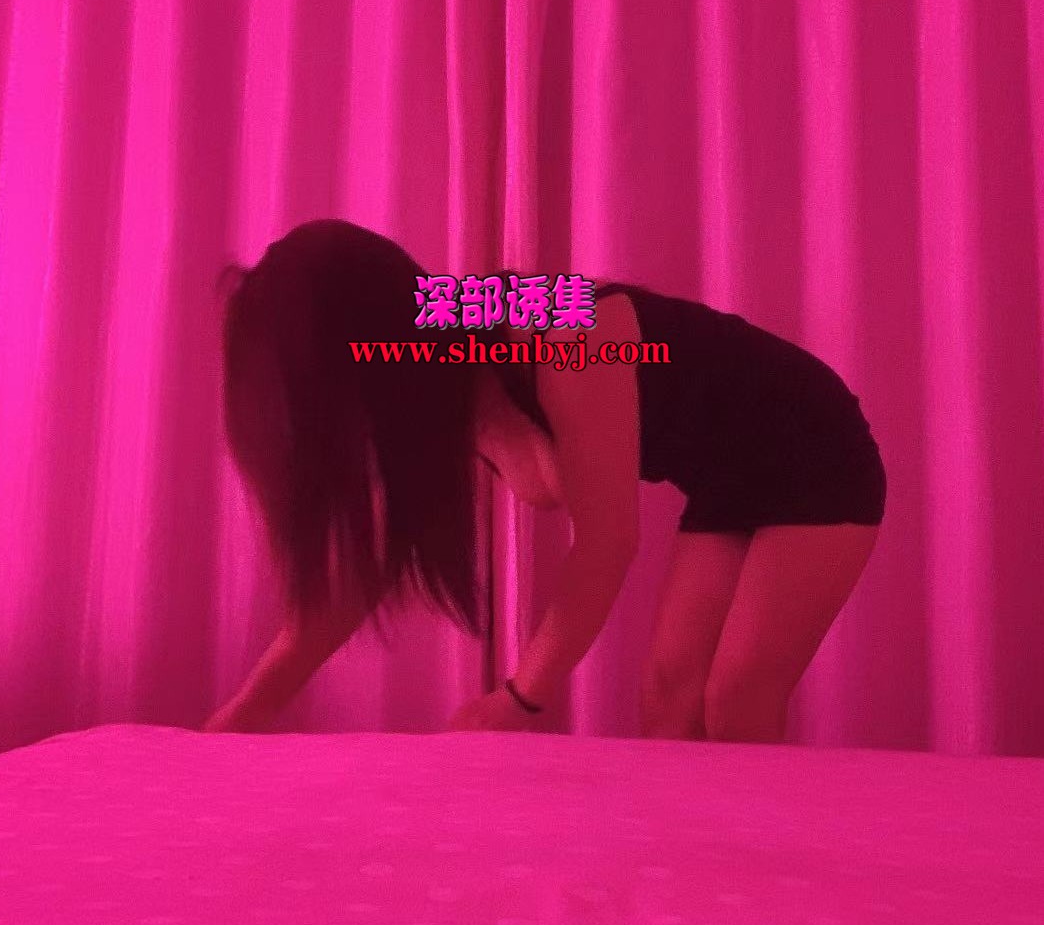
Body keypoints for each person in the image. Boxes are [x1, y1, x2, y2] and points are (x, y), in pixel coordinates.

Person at [203, 217, 886, 743]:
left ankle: (770, 866)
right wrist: (246, 712)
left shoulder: (553, 326)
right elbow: (360, 577)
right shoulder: (429, 391)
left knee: (737, 699)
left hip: (815, 444)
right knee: (670, 700)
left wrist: (518, 699)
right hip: (727, 476)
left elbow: (608, 544)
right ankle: (702, 864)